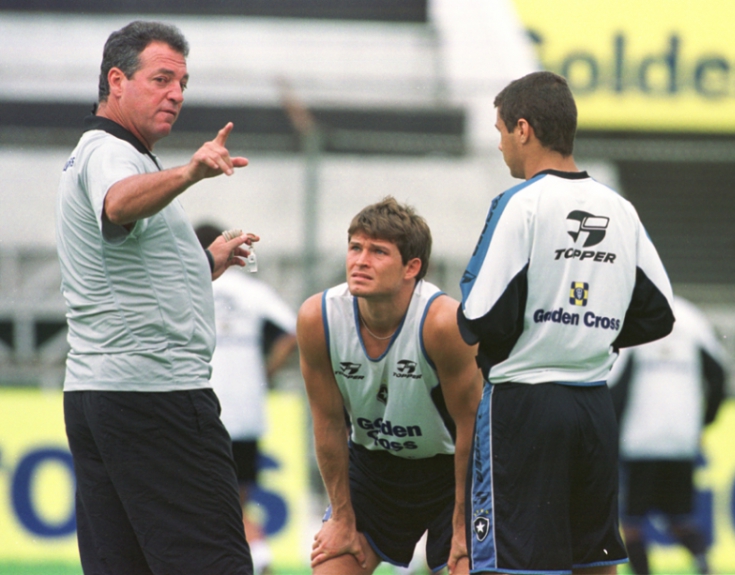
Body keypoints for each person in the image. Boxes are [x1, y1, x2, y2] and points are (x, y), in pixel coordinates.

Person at [55, 21, 256, 575]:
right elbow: (119, 205)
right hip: (155, 396)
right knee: (214, 563)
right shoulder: (111, 152)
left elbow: (127, 258)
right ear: (116, 81)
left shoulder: (104, 154)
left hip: (100, 395)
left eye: (183, 83)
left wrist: (206, 261)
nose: (177, 94)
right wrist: (191, 171)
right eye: (162, 78)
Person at [456, 71, 676, 575]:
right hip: (593, 408)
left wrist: (541, 330)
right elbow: (658, 312)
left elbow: (481, 314)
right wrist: (588, 328)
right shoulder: (620, 209)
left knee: (515, 564)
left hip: (525, 407)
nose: (500, 144)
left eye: (501, 131)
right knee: (594, 562)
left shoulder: (520, 204)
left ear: (524, 129)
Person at [297, 196, 482, 575]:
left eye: (378, 251)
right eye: (355, 247)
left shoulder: (443, 323)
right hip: (374, 470)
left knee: (469, 567)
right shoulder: (319, 317)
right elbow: (329, 423)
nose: (360, 260)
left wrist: (463, 526)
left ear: (411, 267)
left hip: (453, 474)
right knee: (331, 566)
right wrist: (342, 518)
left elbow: (473, 429)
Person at [195, 222, 299, 575]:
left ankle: (254, 557)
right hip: (246, 411)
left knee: (203, 503)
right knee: (237, 501)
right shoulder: (253, 292)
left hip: (203, 410)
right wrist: (264, 373)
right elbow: (292, 330)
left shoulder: (190, 286)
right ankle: (258, 553)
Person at [608, 296, 726, 575]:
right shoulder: (692, 318)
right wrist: (704, 421)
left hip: (640, 439)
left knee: (632, 523)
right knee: (679, 517)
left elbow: (617, 386)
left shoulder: (634, 315)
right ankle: (703, 562)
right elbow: (719, 375)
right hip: (682, 438)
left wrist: (611, 431)